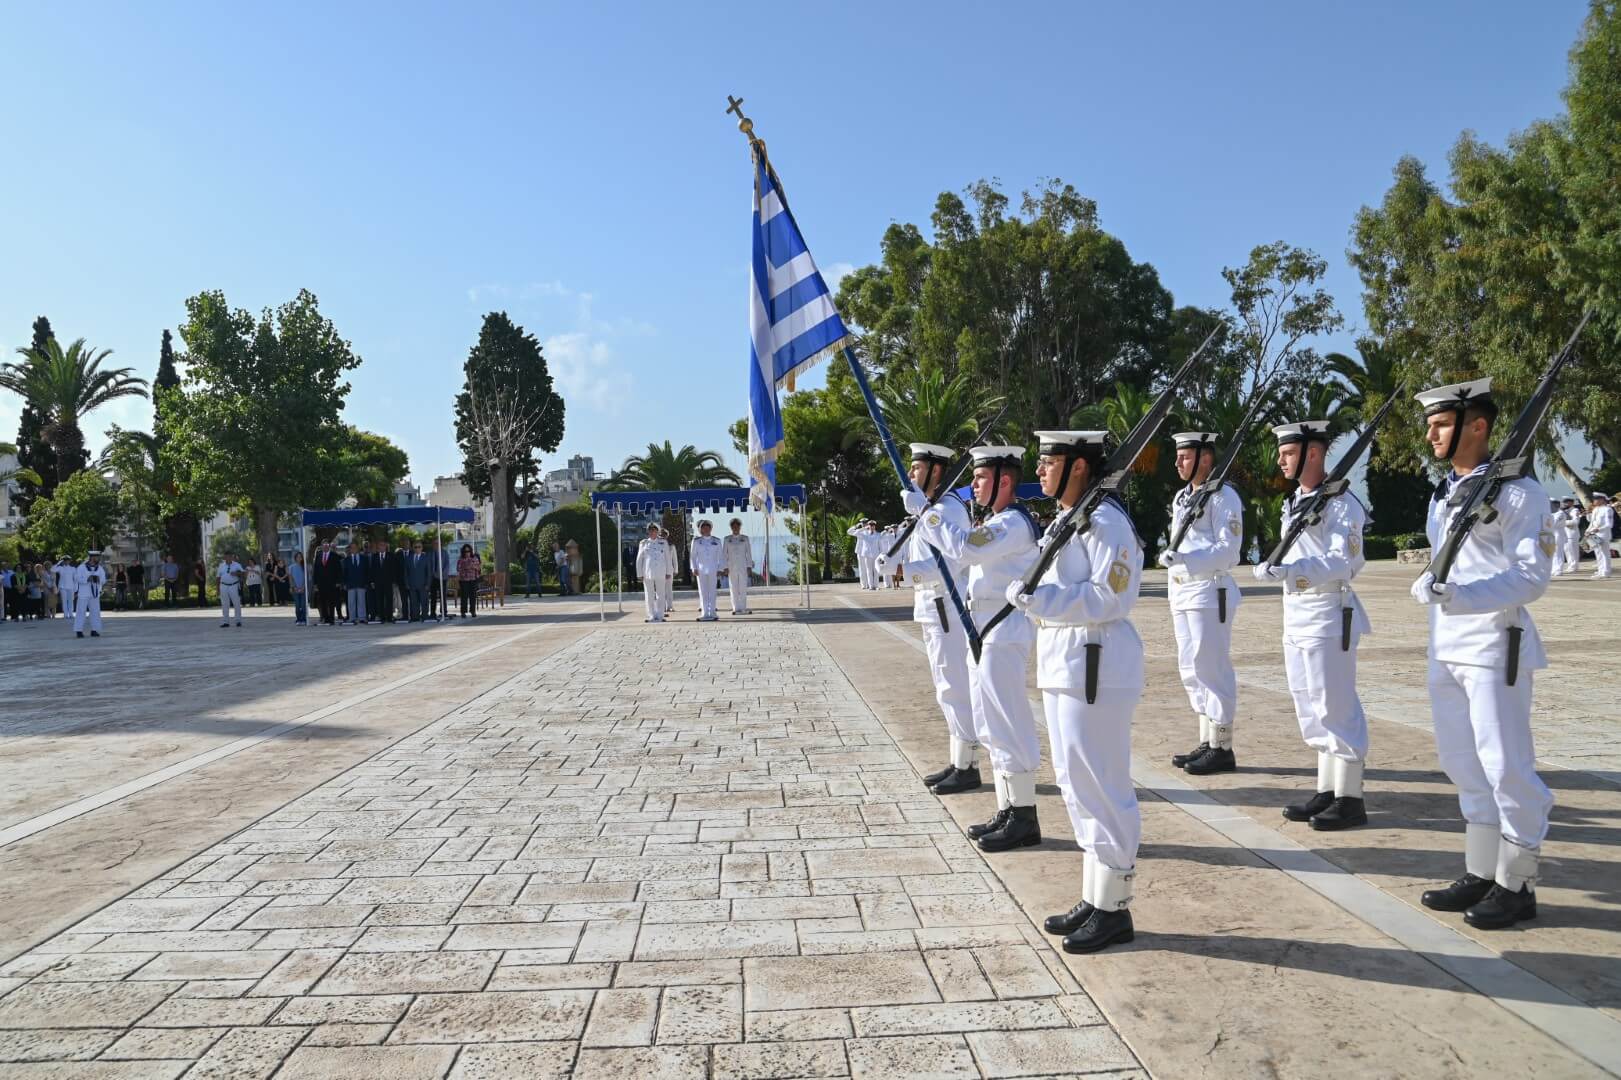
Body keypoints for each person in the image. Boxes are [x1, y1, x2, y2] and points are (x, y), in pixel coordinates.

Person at [1409, 378, 1555, 929]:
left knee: (1506, 766)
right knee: (1461, 762)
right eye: (1430, 424)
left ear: (1478, 425)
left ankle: (1517, 883)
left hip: (1496, 644)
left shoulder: (1519, 493)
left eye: (1441, 423)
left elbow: (1531, 577)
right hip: (1446, 644)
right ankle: (1480, 869)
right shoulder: (1447, 492)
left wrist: (1462, 596)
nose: (1431, 434)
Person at [1007, 431, 1145, 954]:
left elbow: (1113, 595)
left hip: (1098, 666)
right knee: (1074, 779)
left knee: (1102, 781)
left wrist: (1042, 598)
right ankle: (1096, 893)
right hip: (1068, 664)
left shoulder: (1106, 521)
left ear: (1080, 467)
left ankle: (1115, 907)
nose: (1040, 471)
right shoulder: (1069, 519)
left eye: (1050, 462)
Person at [913, 445, 1043, 851]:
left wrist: (927, 513)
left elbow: (966, 548)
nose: (973, 484)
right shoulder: (999, 520)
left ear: (1005, 481)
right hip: (985, 629)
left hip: (1003, 629)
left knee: (1007, 722)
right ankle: (1009, 807)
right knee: (990, 723)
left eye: (981, 478)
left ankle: (1023, 815)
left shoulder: (1013, 523)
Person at [1253, 419, 1372, 830]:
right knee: (1309, 702)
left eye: (1288, 453)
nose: (1281, 461)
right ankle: (1327, 789)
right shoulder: (1298, 501)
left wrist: (1294, 571)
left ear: (1314, 453)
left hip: (1327, 612)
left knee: (1335, 704)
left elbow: (1348, 561)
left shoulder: (1341, 503)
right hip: (1298, 614)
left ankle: (1350, 798)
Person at [878, 444, 978, 794]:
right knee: (945, 688)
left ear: (936, 471)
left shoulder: (948, 509)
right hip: (933, 608)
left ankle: (968, 766)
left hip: (945, 608)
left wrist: (904, 571)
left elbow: (949, 565)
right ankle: (959, 760)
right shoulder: (932, 510)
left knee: (954, 687)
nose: (910, 474)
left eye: (916, 467)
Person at [1160, 431, 1245, 775]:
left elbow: (1230, 550)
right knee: (1190, 667)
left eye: (1184, 456)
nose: (1178, 462)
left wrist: (1185, 558)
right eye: (1178, 456)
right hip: (1182, 590)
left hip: (1209, 590)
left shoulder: (1224, 497)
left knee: (1210, 666)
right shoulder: (1184, 497)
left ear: (1205, 459)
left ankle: (1222, 745)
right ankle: (1208, 739)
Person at [636, 523, 672, 622]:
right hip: (647, 573)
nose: (652, 532)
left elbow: (668, 558)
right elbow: (639, 559)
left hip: (661, 572)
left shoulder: (663, 543)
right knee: (649, 595)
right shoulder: (643, 543)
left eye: (654, 530)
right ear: (648, 532)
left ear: (658, 532)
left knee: (661, 594)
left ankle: (660, 615)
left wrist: (669, 572)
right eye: (650, 530)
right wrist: (639, 574)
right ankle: (651, 615)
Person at [690, 519, 724, 621]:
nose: (705, 529)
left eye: (707, 527)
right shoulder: (696, 541)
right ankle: (704, 612)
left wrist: (720, 568)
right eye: (703, 527)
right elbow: (692, 556)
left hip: (713, 569)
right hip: (701, 569)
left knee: (712, 591)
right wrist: (694, 568)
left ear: (711, 528)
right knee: (703, 591)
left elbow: (720, 556)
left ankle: (713, 612)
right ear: (700, 529)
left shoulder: (716, 541)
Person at [73, 550, 109, 638]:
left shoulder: (99, 568)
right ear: (92, 557)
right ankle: (79, 630)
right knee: (81, 612)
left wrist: (98, 579)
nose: (98, 559)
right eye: (97, 557)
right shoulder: (82, 567)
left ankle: (94, 630)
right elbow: (76, 578)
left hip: (95, 594)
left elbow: (104, 580)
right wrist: (87, 579)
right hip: (83, 593)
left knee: (95, 612)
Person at [723, 519, 754, 614]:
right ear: (731, 527)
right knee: (733, 588)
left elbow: (748, 553)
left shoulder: (745, 538)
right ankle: (735, 608)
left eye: (737, 526)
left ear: (740, 527)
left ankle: (743, 608)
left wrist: (749, 566)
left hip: (743, 566)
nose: (735, 528)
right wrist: (725, 567)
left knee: (743, 588)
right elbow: (724, 554)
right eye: (733, 526)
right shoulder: (727, 539)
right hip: (731, 567)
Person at [313, 540, 342, 626]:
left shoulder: (334, 556)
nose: (325, 547)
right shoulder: (318, 556)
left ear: (329, 546)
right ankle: (325, 618)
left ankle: (331, 619)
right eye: (324, 545)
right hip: (321, 583)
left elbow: (339, 570)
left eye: (327, 545)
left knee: (331, 602)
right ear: (321, 546)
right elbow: (316, 570)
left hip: (332, 583)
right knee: (322, 601)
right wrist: (315, 584)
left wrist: (338, 581)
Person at [1586, 493, 1614, 579]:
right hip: (1594, 534)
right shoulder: (1595, 510)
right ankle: (1600, 570)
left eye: (1596, 499)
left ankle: (1606, 572)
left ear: (1602, 500)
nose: (1594, 501)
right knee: (1598, 553)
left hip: (1603, 534)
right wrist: (1588, 530)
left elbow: (1609, 524)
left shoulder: (1607, 509)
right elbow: (1592, 522)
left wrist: (1598, 529)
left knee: (1604, 553)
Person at [405, 540, 432, 621]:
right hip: (412, 584)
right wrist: (407, 583)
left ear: (422, 548)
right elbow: (406, 572)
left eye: (419, 547)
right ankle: (415, 617)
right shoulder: (408, 558)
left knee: (424, 602)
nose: (417, 549)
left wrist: (428, 584)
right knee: (414, 602)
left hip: (423, 584)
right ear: (413, 548)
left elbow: (429, 573)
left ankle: (425, 616)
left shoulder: (426, 558)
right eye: (415, 547)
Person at [1555, 497, 1583, 576]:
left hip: (1572, 533)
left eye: (1567, 502)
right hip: (1565, 534)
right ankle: (1570, 565)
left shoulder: (1575, 511)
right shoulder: (1563, 511)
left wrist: (1563, 522)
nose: (1565, 504)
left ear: (1571, 503)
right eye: (1564, 502)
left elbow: (1575, 521)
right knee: (1567, 551)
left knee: (1573, 551)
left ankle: (1574, 566)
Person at [218, 551, 245, 628]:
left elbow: (243, 573)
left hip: (234, 585)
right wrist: (217, 589)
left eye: (230, 556)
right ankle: (225, 621)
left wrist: (237, 573)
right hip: (223, 586)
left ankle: (238, 621)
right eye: (227, 557)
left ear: (232, 557)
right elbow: (218, 577)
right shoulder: (221, 566)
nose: (228, 558)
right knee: (225, 604)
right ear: (224, 557)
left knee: (236, 603)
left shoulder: (237, 565)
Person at [456, 544, 482, 618]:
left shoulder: (475, 558)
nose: (467, 553)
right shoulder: (460, 559)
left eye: (468, 551)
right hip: (464, 580)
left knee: (473, 596)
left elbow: (479, 567)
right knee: (464, 596)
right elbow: (458, 568)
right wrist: (466, 567)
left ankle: (473, 611)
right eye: (465, 551)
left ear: (471, 551)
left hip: (473, 579)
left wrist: (473, 566)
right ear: (463, 552)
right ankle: (463, 612)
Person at [288, 551, 309, 625]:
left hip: (303, 589)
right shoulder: (291, 567)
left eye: (300, 557)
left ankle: (303, 619)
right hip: (295, 589)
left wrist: (303, 587)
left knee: (303, 605)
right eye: (298, 557)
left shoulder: (305, 566)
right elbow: (290, 578)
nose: (299, 558)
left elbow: (306, 578)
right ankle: (298, 619)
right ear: (295, 558)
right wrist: (293, 587)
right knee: (297, 605)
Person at [660, 527, 676, 612]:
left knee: (669, 589)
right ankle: (661, 606)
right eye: (661, 535)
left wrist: (676, 569)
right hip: (659, 570)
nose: (663, 536)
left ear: (667, 536)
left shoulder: (671, 546)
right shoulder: (657, 545)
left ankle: (670, 606)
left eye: (664, 535)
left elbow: (674, 559)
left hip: (669, 570)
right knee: (660, 589)